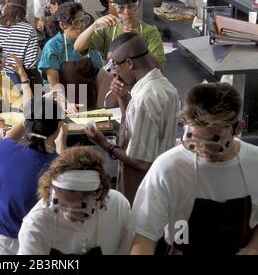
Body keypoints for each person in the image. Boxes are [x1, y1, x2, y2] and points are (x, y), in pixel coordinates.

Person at [130, 83, 258, 255]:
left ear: (238, 128)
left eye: (214, 145)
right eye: (194, 142)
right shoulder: (169, 167)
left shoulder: (254, 162)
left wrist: (254, 247)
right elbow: (144, 238)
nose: (202, 150)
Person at [85, 32, 178, 204]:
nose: (114, 73)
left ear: (129, 63)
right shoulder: (166, 87)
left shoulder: (143, 99)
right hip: (163, 181)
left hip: (142, 188)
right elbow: (135, 124)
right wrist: (122, 97)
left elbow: (141, 162)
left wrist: (104, 144)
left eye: (115, 66)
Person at [0, 97, 67, 255]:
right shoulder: (60, 167)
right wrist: (62, 144)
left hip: (0, 240)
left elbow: (8, 138)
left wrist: (32, 116)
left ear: (27, 125)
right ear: (58, 128)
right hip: (40, 242)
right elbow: (64, 175)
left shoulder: (4, 149)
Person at [17, 146, 132, 255]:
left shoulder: (117, 206)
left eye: (81, 206)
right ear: (50, 193)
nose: (69, 213)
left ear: (100, 195)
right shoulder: (36, 225)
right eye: (62, 204)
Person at [74, 0, 165, 65]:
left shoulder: (150, 32)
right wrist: (94, 26)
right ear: (114, 6)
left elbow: (159, 66)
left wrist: (140, 45)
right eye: (121, 8)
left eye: (131, 7)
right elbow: (78, 47)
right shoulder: (108, 28)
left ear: (139, 4)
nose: (126, 12)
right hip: (112, 79)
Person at [38, 2, 103, 111]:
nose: (82, 26)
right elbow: (53, 81)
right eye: (76, 23)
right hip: (63, 105)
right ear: (63, 25)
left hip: (91, 102)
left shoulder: (90, 43)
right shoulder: (53, 46)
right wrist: (65, 103)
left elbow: (98, 74)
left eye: (83, 20)